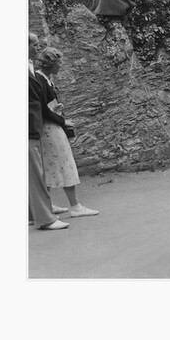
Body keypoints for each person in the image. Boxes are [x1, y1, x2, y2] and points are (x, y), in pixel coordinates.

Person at [35, 47, 99, 218]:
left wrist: (56, 109)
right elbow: (43, 109)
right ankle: (75, 206)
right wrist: (63, 121)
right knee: (66, 163)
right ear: (50, 64)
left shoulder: (45, 79)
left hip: (48, 127)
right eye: (58, 62)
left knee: (49, 166)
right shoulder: (40, 80)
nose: (61, 65)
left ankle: (46, 204)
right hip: (50, 128)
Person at [28, 33, 68, 231]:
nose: (38, 47)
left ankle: (31, 214)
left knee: (33, 173)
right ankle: (45, 219)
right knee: (37, 175)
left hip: (32, 127)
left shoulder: (29, 69)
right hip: (31, 127)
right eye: (34, 44)